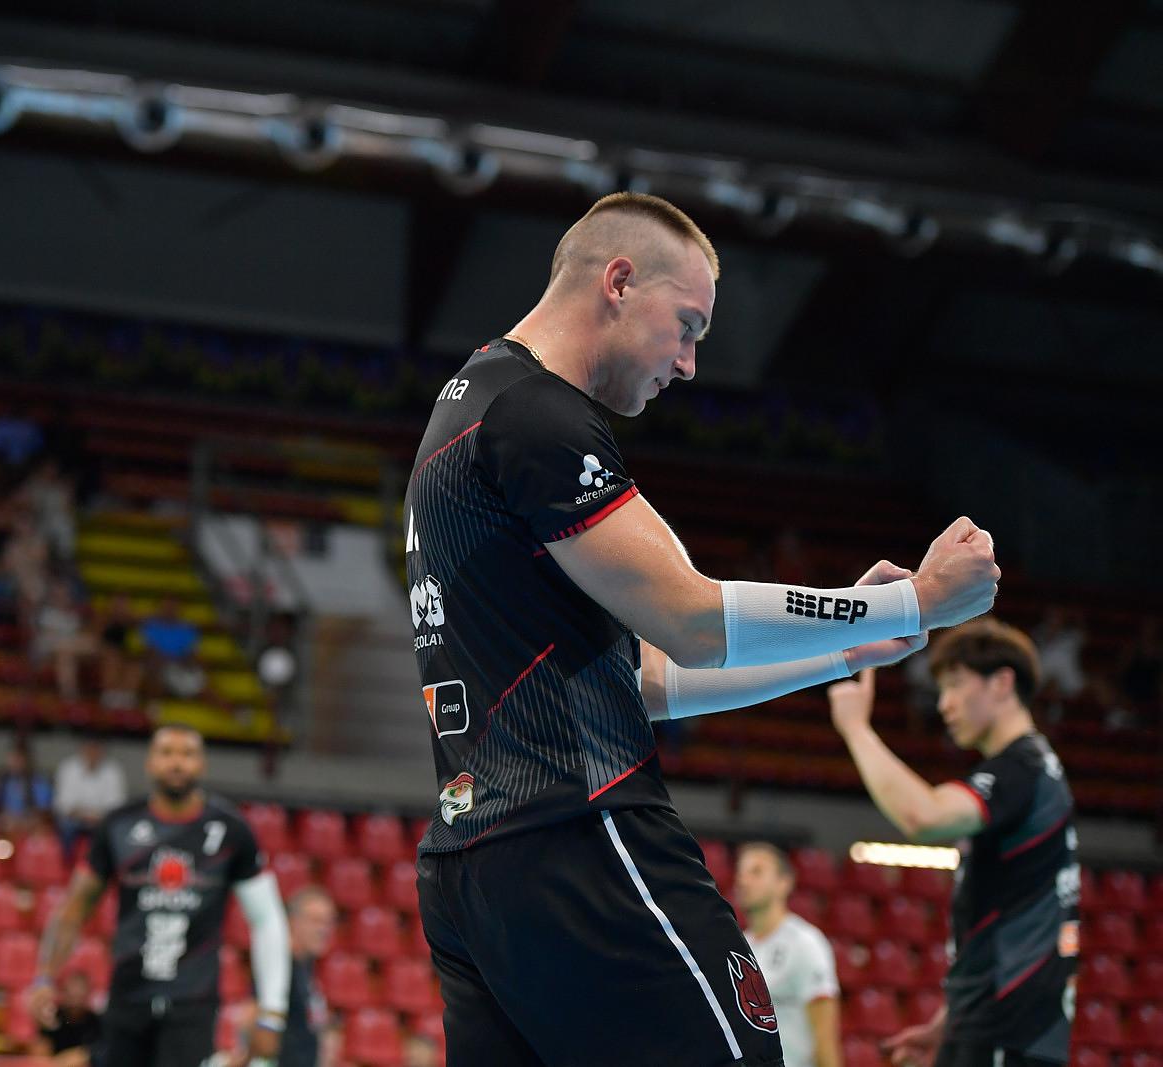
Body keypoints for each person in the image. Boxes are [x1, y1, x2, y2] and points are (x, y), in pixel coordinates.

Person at [404, 191, 1000, 1066]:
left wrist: (843, 648)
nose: (687, 363)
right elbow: (689, 617)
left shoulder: (467, 408)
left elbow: (649, 676)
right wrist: (917, 604)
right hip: (581, 832)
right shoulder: (539, 416)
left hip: (473, 870)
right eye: (686, 325)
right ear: (617, 281)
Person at [828, 620, 1077, 1067]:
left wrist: (856, 730)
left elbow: (922, 816)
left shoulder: (1022, 769)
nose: (944, 704)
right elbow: (1007, 915)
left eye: (956, 686)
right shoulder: (1034, 773)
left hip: (1007, 1030)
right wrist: (949, 1023)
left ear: (1002, 683)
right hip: (997, 1024)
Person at [32, 725, 290, 1067]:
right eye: (167, 753)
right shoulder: (118, 825)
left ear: (203, 764)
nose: (177, 763)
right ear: (150, 763)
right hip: (127, 1000)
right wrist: (45, 976)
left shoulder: (231, 830)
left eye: (187, 754)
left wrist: (272, 1010)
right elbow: (74, 909)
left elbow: (267, 918)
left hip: (192, 1005)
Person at [733, 843, 840, 1067]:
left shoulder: (806, 943)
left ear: (784, 883)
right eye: (741, 872)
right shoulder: (740, 947)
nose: (743, 880)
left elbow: (825, 1038)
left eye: (757, 872)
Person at [273, 887, 340, 1067]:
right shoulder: (278, 968)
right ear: (293, 921)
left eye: (329, 922)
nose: (324, 930)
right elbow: (251, 1017)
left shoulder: (307, 966)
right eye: (316, 921)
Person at [52, 735, 127, 851]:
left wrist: (97, 817)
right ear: (82, 749)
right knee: (65, 827)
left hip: (101, 820)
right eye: (89, 749)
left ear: (102, 751)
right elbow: (63, 803)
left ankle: (101, 866)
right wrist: (82, 815)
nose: (92, 753)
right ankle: (65, 864)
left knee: (113, 831)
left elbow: (116, 804)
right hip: (74, 818)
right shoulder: (68, 767)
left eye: (96, 749)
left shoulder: (113, 771)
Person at [38, 969, 104, 1060]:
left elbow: (98, 1051)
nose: (75, 993)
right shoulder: (51, 1017)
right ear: (63, 991)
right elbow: (41, 1049)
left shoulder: (96, 1022)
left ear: (88, 992)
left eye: (80, 989)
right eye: (71, 989)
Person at [0, 738, 54, 837]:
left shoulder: (38, 782)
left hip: (30, 821)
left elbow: (43, 812)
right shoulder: (4, 780)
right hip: (7, 822)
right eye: (11, 758)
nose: (13, 763)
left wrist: (23, 820)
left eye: (17, 759)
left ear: (26, 760)